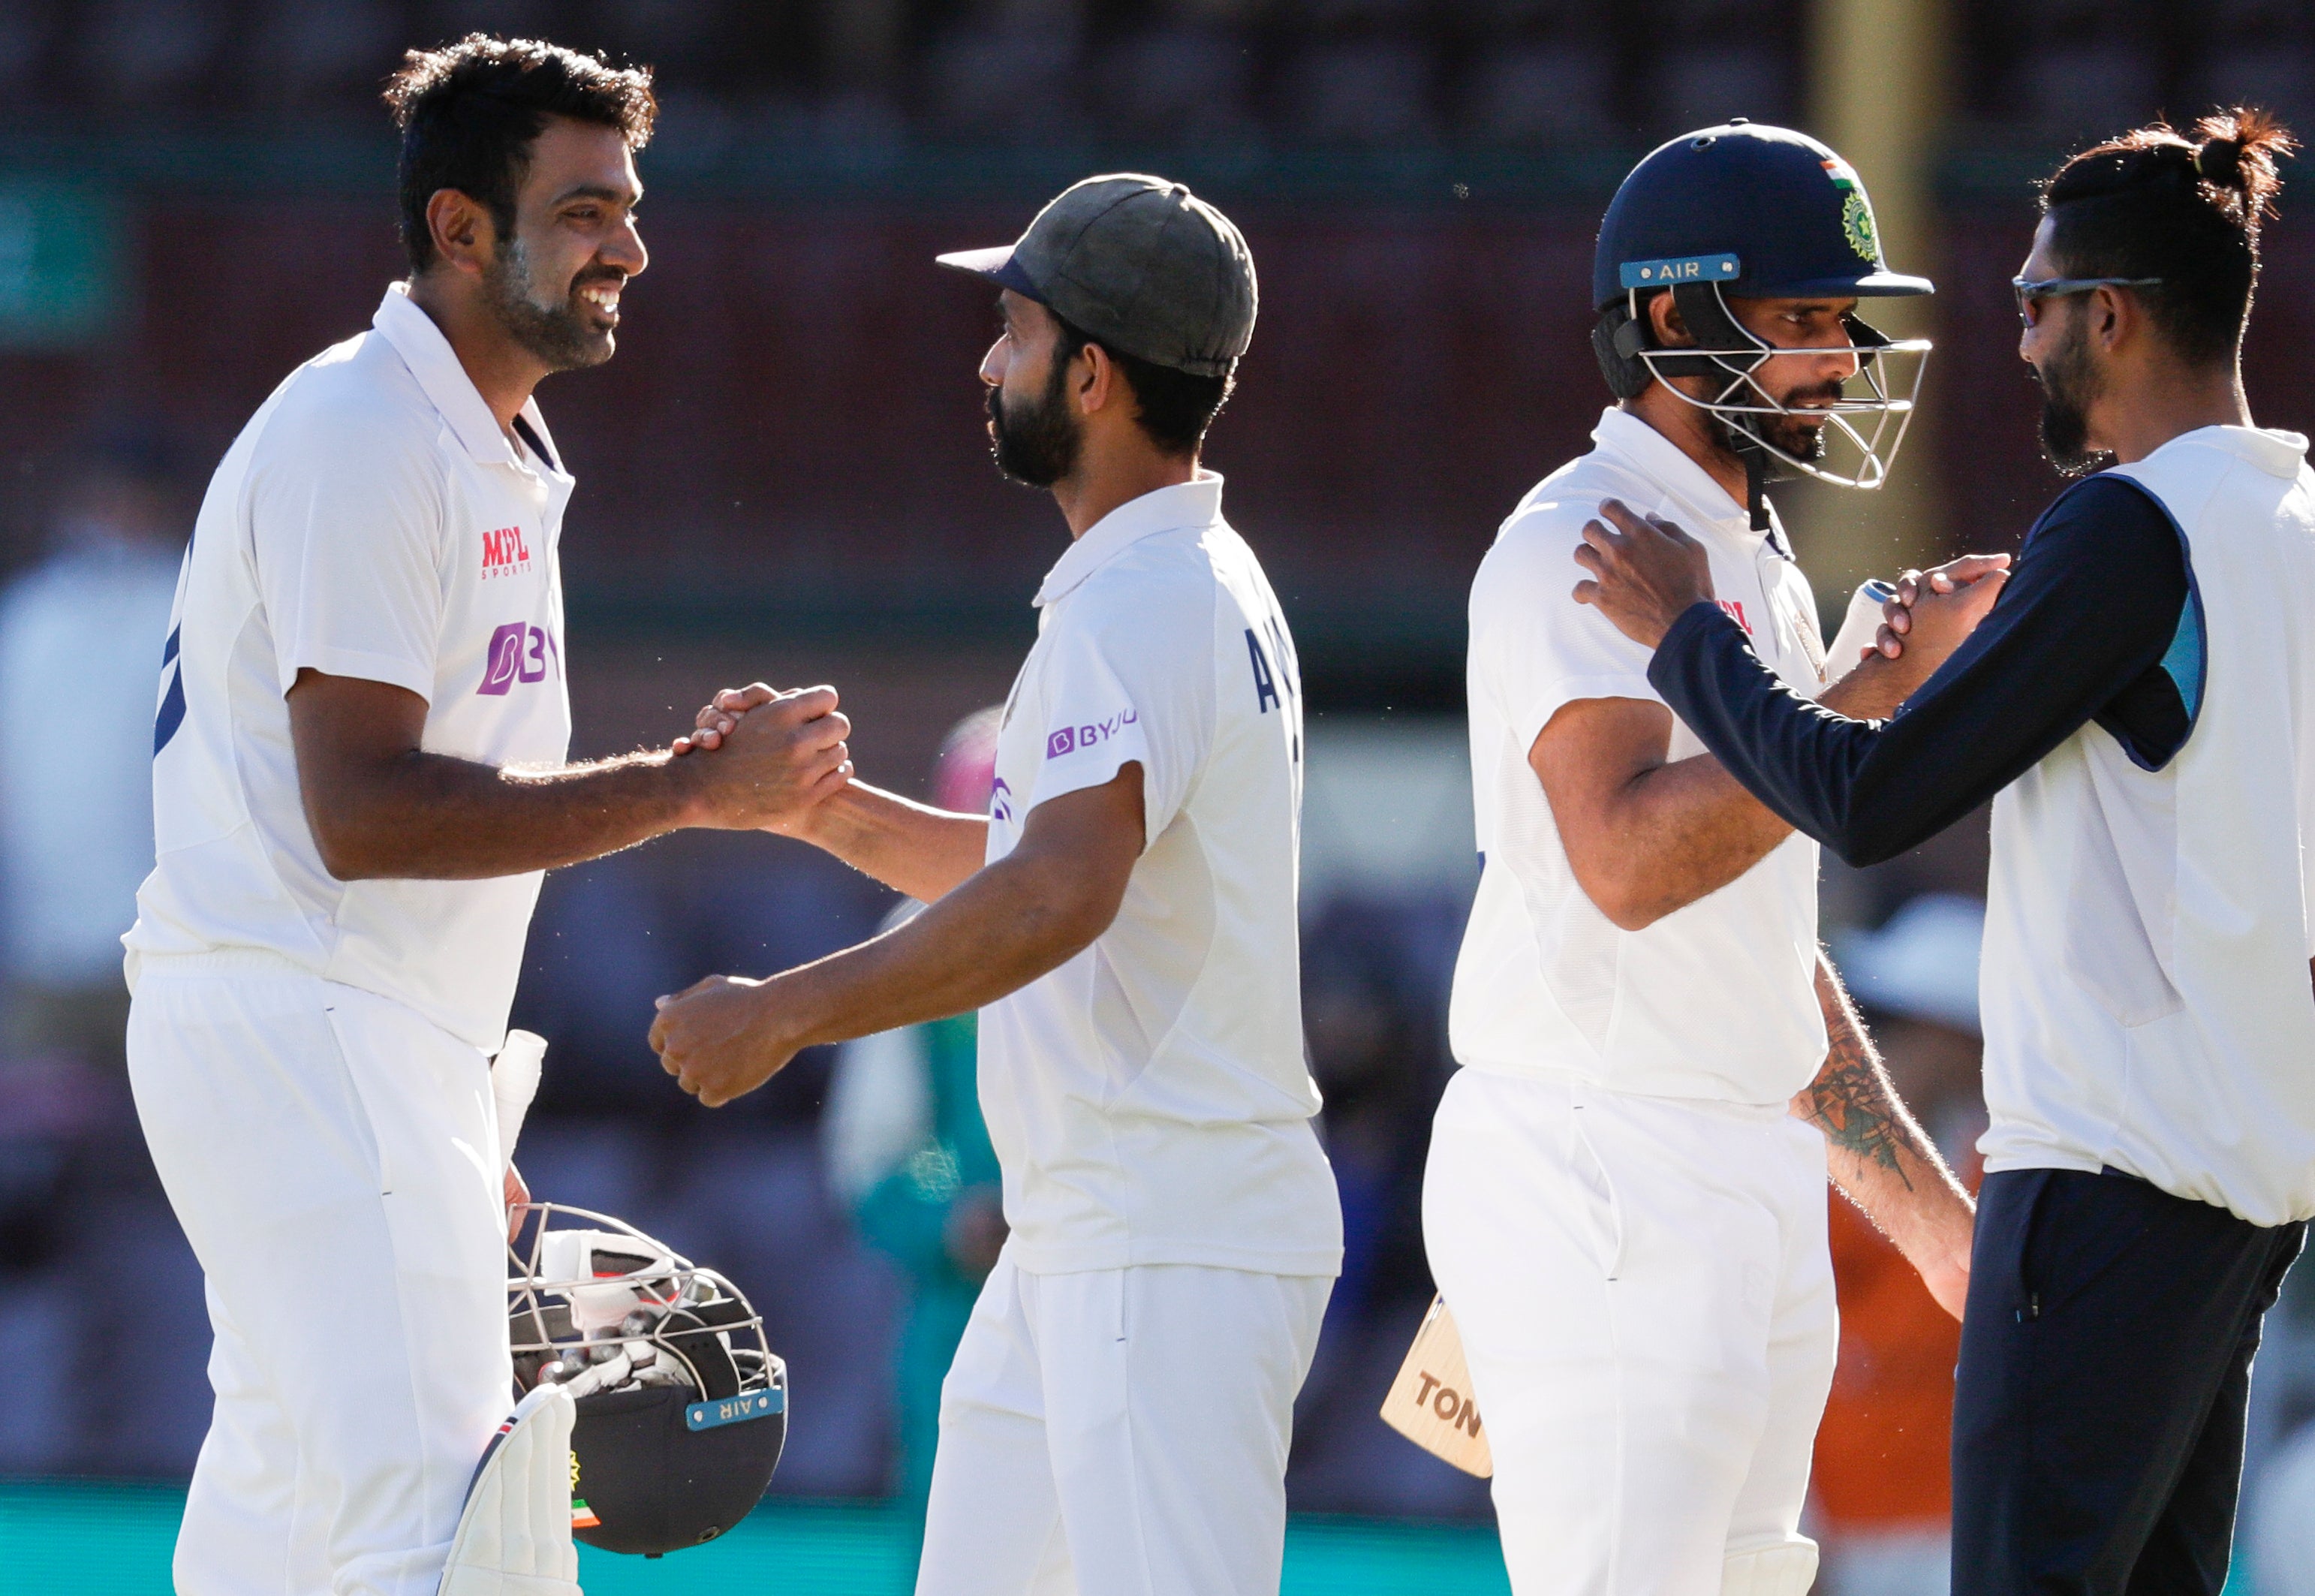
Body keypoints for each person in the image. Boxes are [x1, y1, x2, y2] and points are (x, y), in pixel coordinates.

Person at [122, 38, 848, 1596]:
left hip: (342, 1043)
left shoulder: (481, 441)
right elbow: (364, 814)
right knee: (446, 1546)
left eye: (632, 207)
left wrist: (440, 1097)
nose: (631, 248)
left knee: (281, 1535)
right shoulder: (366, 430)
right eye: (586, 210)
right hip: (311, 1026)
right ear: (462, 230)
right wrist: (692, 787)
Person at [1573, 110, 2311, 1596]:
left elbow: (1868, 797)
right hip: (2246, 1191)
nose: (2021, 333)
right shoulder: (2291, 514)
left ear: (2109, 313)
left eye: (2038, 301)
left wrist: (1688, 640)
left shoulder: (2123, 526)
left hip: (2105, 1176)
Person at [652, 173, 1343, 1596]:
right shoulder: (1173, 575)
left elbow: (1054, 901)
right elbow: (1040, 870)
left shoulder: (1140, 600)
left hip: (1164, 1244)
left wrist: (785, 1011)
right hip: (1090, 1234)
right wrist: (827, 814)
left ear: (1089, 374)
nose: (987, 360)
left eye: (1013, 331)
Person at [1420, 121, 1983, 1596]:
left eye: (1842, 322)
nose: (1843, 361)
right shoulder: (1586, 538)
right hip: (1603, 1172)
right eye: (1802, 321)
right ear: (1672, 318)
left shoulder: (1751, 559)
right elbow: (1623, 863)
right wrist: (1861, 698)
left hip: (1733, 1171)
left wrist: (1933, 1227)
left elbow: (1756, 958)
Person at [821, 708, 1008, 1512]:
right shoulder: (917, 940)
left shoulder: (1142, 939)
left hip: (1129, 1304)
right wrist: (956, 1215)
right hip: (966, 1320)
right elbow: (880, 1155)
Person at [0, 425, 185, 1069]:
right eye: (101, 500)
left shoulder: (184, 608)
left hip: (166, 955)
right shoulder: (33, 614)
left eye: (128, 500)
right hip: (44, 955)